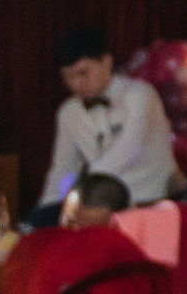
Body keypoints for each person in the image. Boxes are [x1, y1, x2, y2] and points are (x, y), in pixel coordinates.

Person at [38, 30, 176, 211]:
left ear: (106, 62)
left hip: (153, 201)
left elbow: (127, 150)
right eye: (68, 77)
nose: (75, 84)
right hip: (102, 207)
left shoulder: (140, 95)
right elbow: (63, 170)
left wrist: (81, 190)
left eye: (83, 73)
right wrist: (45, 209)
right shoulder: (69, 111)